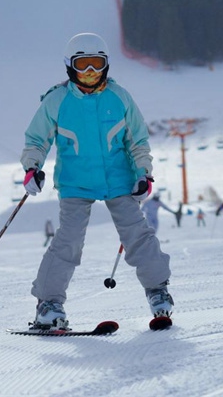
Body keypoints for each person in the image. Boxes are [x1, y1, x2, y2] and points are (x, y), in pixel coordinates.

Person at [20, 33, 173, 329]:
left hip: (119, 179)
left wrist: (144, 173)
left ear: (106, 65)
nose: (90, 72)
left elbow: (137, 140)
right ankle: (48, 304)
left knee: (137, 234)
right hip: (75, 182)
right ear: (70, 67)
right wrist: (32, 168)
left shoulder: (119, 98)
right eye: (83, 65)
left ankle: (158, 291)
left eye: (96, 64)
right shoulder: (57, 100)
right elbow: (36, 139)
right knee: (69, 239)